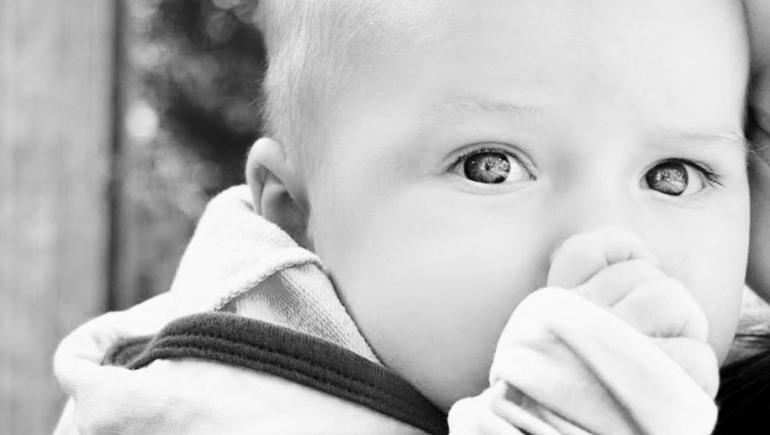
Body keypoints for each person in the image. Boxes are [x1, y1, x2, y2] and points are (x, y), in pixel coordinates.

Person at [52, 0, 770, 433]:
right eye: (491, 166)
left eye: (674, 176)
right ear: (297, 216)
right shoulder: (211, 396)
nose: (609, 242)